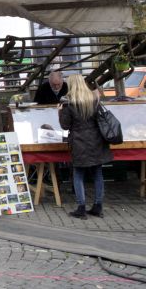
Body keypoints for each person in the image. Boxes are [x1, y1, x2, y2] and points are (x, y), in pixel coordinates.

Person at [58, 74, 112, 219]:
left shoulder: (67, 102)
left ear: (71, 85)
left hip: (79, 142)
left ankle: (81, 208)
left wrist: (59, 112)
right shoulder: (93, 99)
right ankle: (98, 207)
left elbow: (65, 125)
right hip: (96, 140)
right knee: (97, 174)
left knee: (78, 174)